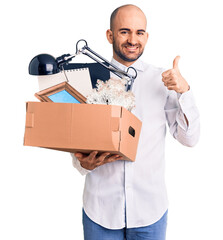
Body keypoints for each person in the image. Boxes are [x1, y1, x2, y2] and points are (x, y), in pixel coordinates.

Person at [71, 4, 200, 240]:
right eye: (124, 31)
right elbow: (77, 145)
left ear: (147, 36)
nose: (133, 39)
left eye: (139, 32)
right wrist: (83, 165)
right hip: (100, 212)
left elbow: (189, 138)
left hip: (150, 212)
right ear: (110, 35)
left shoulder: (164, 80)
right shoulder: (88, 79)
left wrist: (185, 92)